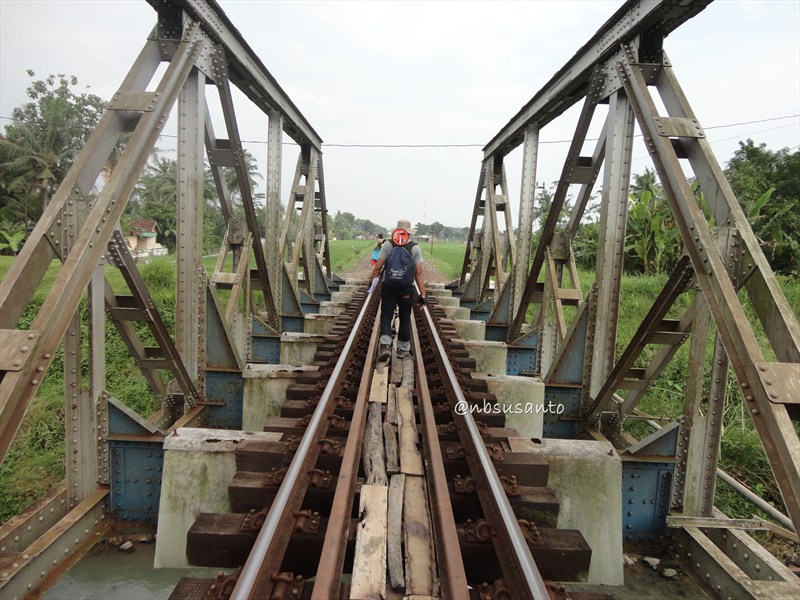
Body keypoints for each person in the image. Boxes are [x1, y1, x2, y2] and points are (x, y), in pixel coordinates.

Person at [370, 219, 426, 361]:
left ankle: (385, 346)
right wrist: (422, 294)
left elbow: (378, 267)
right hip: (406, 289)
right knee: (405, 317)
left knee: (386, 315)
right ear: (409, 233)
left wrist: (371, 282)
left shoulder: (388, 245)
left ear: (397, 230)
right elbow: (419, 272)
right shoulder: (415, 248)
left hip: (389, 287)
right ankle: (402, 349)